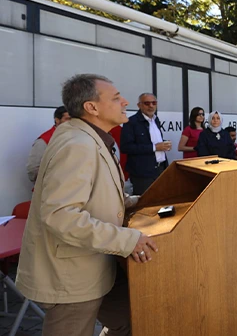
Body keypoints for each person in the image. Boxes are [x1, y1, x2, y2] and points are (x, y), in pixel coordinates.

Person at [16, 74, 157, 336]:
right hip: (72, 277)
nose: (125, 101)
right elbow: (61, 216)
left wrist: (141, 202)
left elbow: (97, 196)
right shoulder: (77, 144)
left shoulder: (93, 138)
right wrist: (128, 240)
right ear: (91, 107)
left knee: (134, 320)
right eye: (116, 98)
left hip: (99, 267)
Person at [121, 93, 171, 195]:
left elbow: (152, 141)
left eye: (154, 103)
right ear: (139, 105)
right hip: (142, 173)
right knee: (145, 204)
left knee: (161, 201)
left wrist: (164, 145)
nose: (151, 106)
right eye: (147, 103)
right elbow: (126, 147)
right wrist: (154, 147)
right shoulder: (131, 122)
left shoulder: (155, 120)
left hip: (160, 169)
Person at [26, 105, 70, 183]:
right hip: (50, 189)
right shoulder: (44, 140)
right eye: (67, 119)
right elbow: (33, 170)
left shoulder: (76, 136)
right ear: (57, 120)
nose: (71, 122)